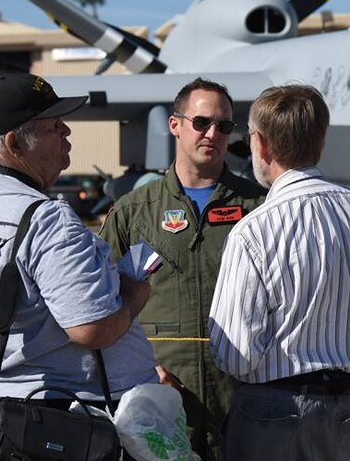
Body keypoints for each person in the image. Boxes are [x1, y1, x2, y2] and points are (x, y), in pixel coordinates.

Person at [0, 73, 157, 461]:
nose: (67, 131)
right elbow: (93, 329)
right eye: (53, 125)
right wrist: (133, 295)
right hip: (59, 424)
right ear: (15, 143)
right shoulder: (45, 219)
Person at [208, 84, 350, 461]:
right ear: (320, 142)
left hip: (273, 413)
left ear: (261, 145)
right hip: (347, 410)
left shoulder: (254, 231)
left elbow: (235, 355)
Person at [100, 77, 265, 461]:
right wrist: (143, 370)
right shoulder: (135, 212)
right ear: (174, 125)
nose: (213, 134)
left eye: (224, 126)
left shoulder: (259, 208)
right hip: (162, 402)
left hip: (242, 398)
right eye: (201, 122)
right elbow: (100, 304)